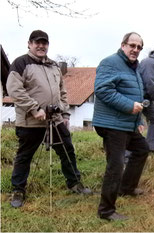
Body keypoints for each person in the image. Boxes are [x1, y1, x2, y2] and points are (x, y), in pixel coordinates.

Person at [6, 30, 92, 208]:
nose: (41, 46)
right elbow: (14, 90)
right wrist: (34, 108)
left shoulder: (53, 66)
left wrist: (65, 113)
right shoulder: (20, 63)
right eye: (37, 42)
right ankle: (18, 191)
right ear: (29, 44)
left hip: (55, 119)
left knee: (67, 150)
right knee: (24, 156)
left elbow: (62, 91)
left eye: (44, 43)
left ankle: (74, 183)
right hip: (31, 121)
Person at [93, 32, 149, 221]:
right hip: (111, 123)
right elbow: (102, 90)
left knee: (142, 149)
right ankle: (106, 210)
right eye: (132, 45)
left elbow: (135, 96)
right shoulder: (110, 62)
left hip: (127, 123)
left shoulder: (133, 68)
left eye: (139, 47)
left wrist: (138, 120)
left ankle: (127, 188)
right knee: (116, 165)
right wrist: (129, 106)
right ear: (123, 45)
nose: (135, 50)